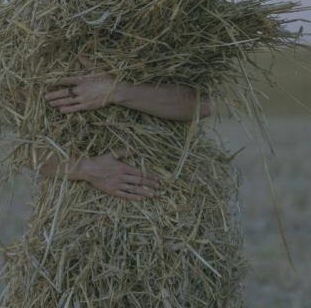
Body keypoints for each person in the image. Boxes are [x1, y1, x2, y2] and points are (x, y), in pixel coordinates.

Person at [38, 53, 213, 201]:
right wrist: (86, 169)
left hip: (171, 188)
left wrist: (115, 90)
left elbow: (203, 105)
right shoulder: (42, 44)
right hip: (75, 205)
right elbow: (23, 146)